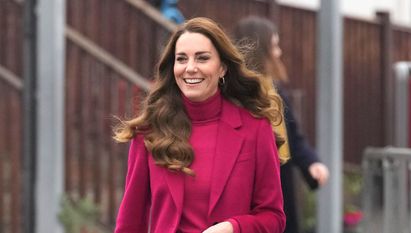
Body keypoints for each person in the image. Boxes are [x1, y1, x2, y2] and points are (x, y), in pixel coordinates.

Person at [113, 17, 288, 233]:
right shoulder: (149, 132)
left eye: (202, 58)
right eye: (182, 59)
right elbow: (130, 222)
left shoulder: (255, 128)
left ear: (222, 68)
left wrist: (233, 228)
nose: (190, 68)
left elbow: (273, 217)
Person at [233, 16, 330, 233]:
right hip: (247, 189)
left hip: (278, 181)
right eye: (274, 46)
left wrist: (311, 163)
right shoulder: (232, 93)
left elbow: (292, 137)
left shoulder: (274, 90)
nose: (278, 53)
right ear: (260, 49)